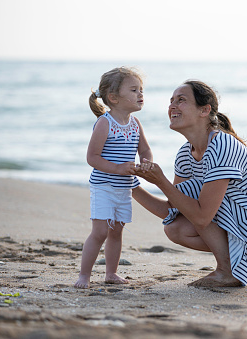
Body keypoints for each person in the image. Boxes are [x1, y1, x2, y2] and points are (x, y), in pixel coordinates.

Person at [133, 80, 247, 287]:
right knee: (175, 227)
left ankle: (227, 270)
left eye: (181, 100)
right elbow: (173, 209)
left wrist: (161, 182)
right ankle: (232, 265)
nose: (172, 106)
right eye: (171, 101)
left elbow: (201, 217)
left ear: (204, 110)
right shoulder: (185, 154)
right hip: (240, 216)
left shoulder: (222, 145)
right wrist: (131, 186)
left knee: (197, 202)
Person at [74, 67, 153, 289]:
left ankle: (111, 273)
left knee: (116, 231)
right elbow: (92, 157)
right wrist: (117, 168)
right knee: (100, 232)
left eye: (141, 90)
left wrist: (146, 163)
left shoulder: (135, 124)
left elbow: (145, 150)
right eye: (134, 90)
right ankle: (84, 275)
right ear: (114, 98)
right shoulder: (105, 123)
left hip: (124, 188)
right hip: (104, 186)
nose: (140, 95)